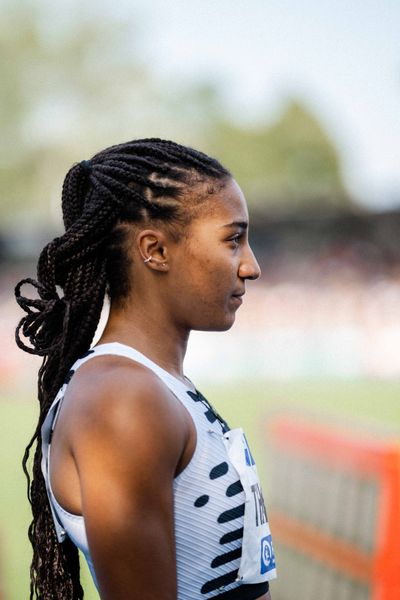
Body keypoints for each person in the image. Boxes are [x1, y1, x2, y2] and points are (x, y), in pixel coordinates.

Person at [15, 138, 277, 600]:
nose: (251, 267)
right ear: (155, 251)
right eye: (233, 239)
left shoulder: (152, 386)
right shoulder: (123, 400)